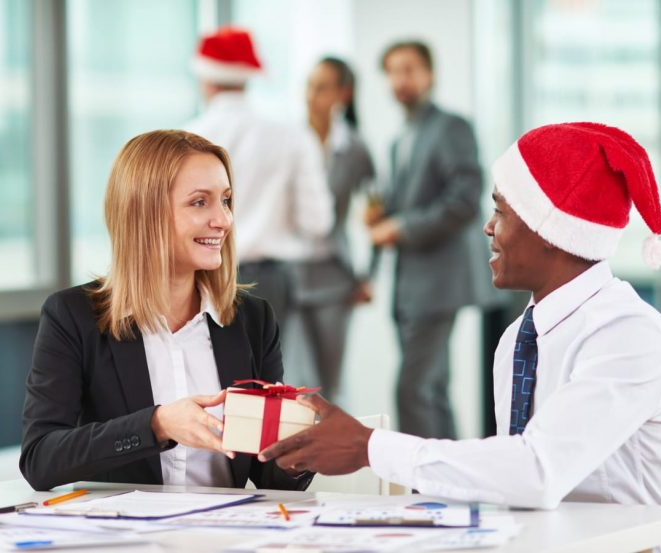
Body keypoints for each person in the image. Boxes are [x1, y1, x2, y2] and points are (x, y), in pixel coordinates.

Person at [259, 123, 661, 520]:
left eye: (501, 211)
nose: (487, 227)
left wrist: (370, 447)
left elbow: (537, 473)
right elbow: (507, 484)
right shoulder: (519, 337)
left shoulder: (627, 332)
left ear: (552, 232)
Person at [20, 130, 312, 492]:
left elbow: (270, 476)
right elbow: (41, 459)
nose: (224, 220)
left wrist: (298, 450)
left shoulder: (253, 320)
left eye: (226, 200)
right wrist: (157, 425)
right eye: (199, 202)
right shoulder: (73, 316)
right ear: (145, 213)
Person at [366, 40, 493, 438]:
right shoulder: (399, 139)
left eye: (409, 69)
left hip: (439, 281)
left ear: (430, 74)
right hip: (410, 283)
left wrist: (400, 227)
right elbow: (413, 201)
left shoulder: (451, 127)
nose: (400, 79)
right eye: (393, 71)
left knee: (413, 389)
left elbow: (465, 199)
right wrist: (383, 216)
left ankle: (420, 485)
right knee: (432, 388)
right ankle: (446, 484)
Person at [185, 27, 334, 332]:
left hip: (202, 276)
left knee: (208, 375)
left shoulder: (184, 139)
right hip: (272, 281)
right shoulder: (292, 136)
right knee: (265, 378)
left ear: (207, 79)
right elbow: (317, 221)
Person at [288, 57, 375, 401]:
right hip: (290, 275)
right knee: (292, 378)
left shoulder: (355, 149)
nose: (311, 95)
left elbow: (376, 212)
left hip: (334, 277)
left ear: (344, 94)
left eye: (322, 88)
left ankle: (332, 452)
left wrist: (368, 275)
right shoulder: (288, 141)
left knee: (329, 380)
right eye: (309, 86)